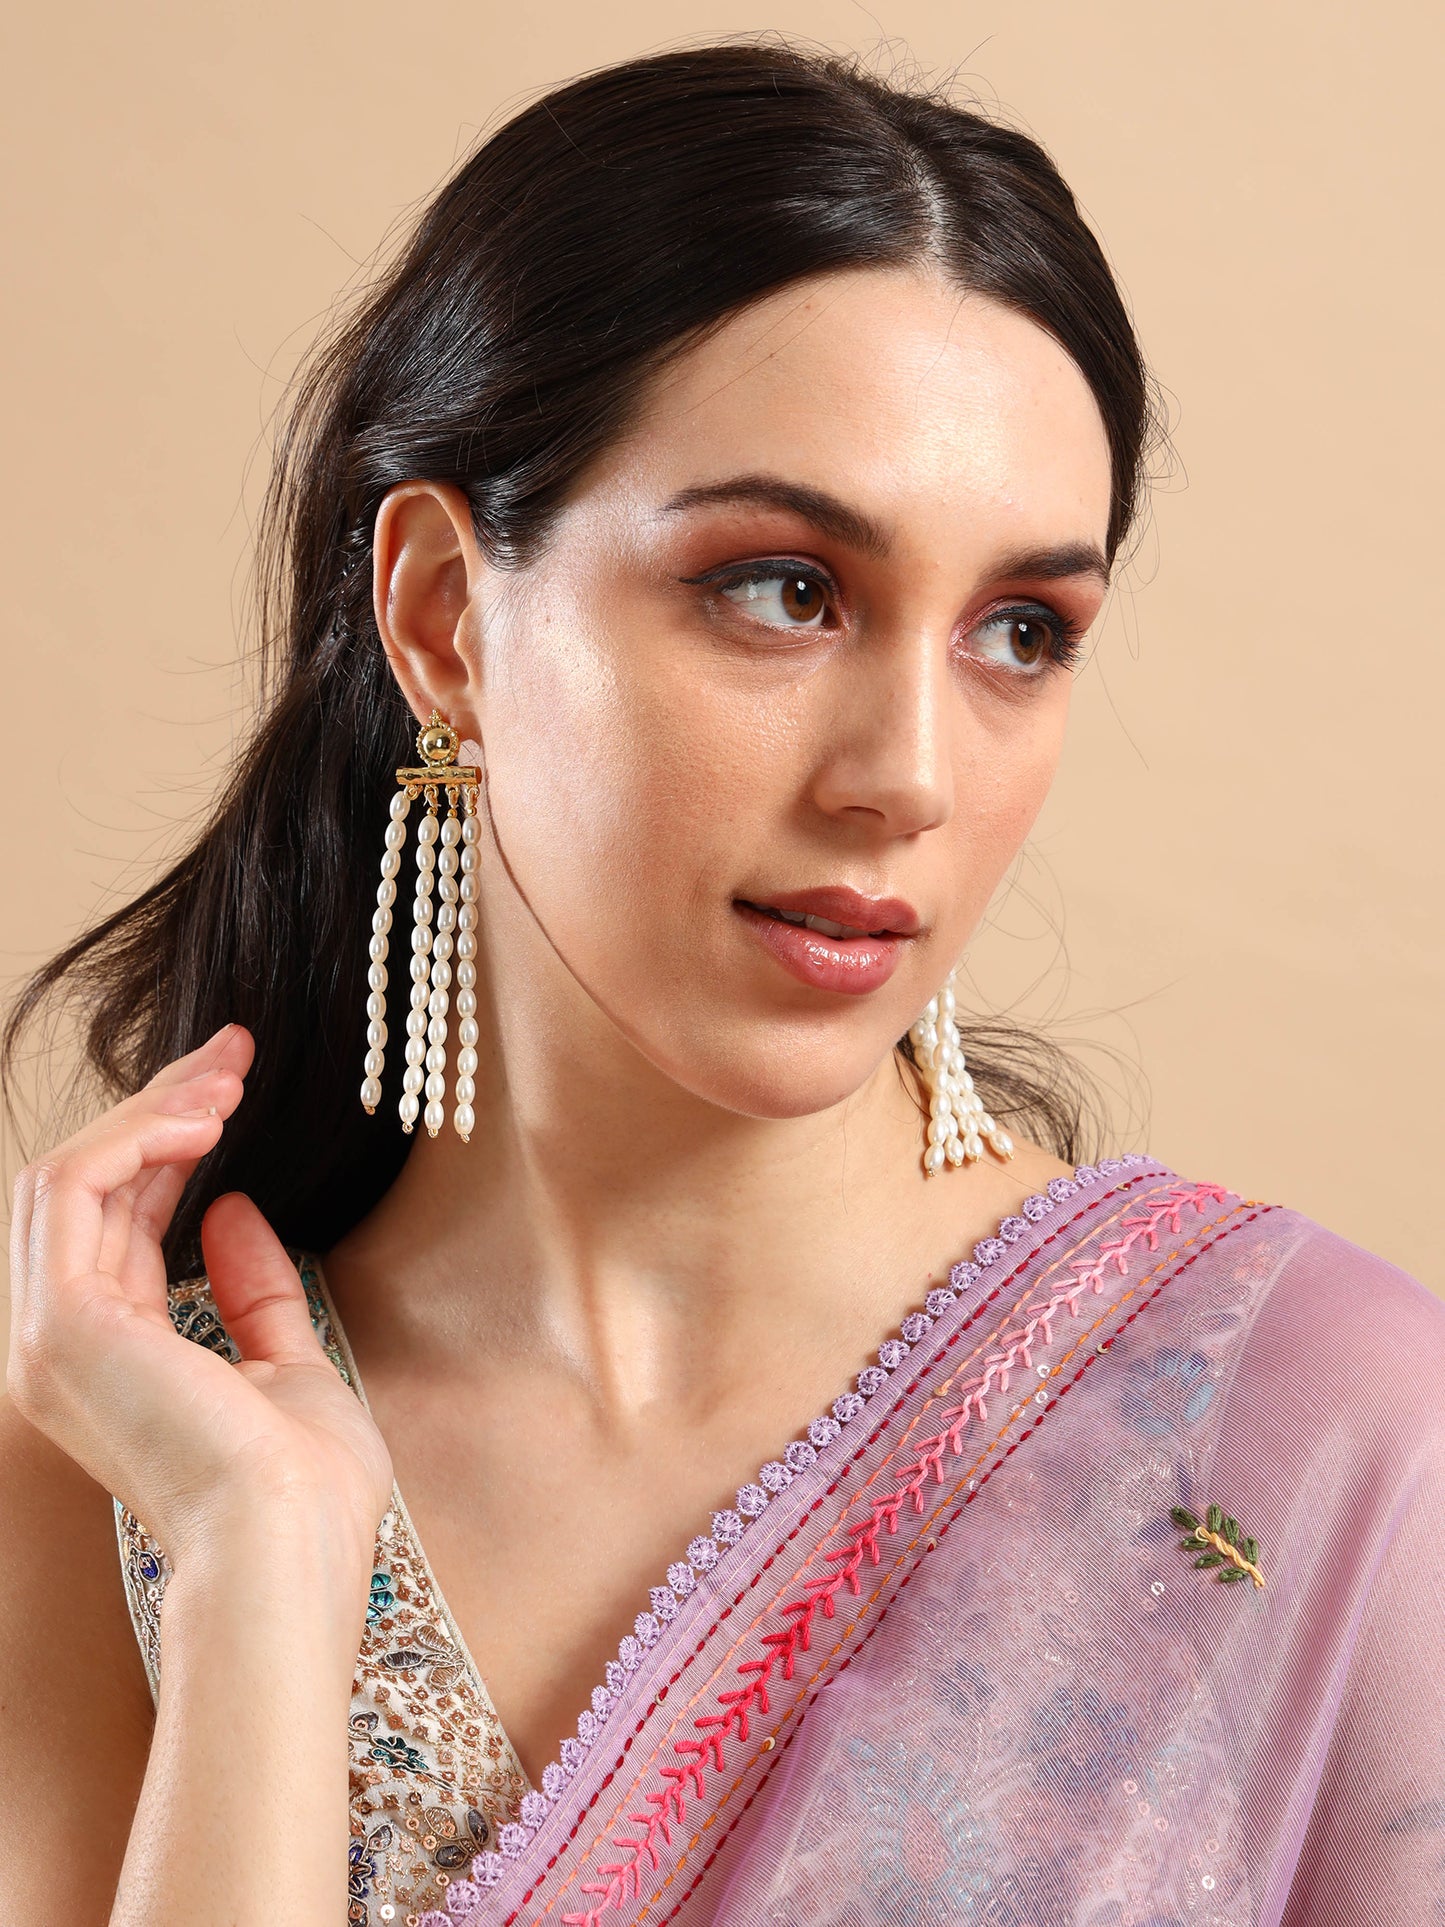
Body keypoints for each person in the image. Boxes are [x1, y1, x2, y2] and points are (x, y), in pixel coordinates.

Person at [3, 39, 1441, 1927]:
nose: (908, 775)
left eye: (1022, 632)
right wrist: (258, 1575)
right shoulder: (127, 1460)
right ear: (444, 616)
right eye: (783, 588)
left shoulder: (1315, 1427)